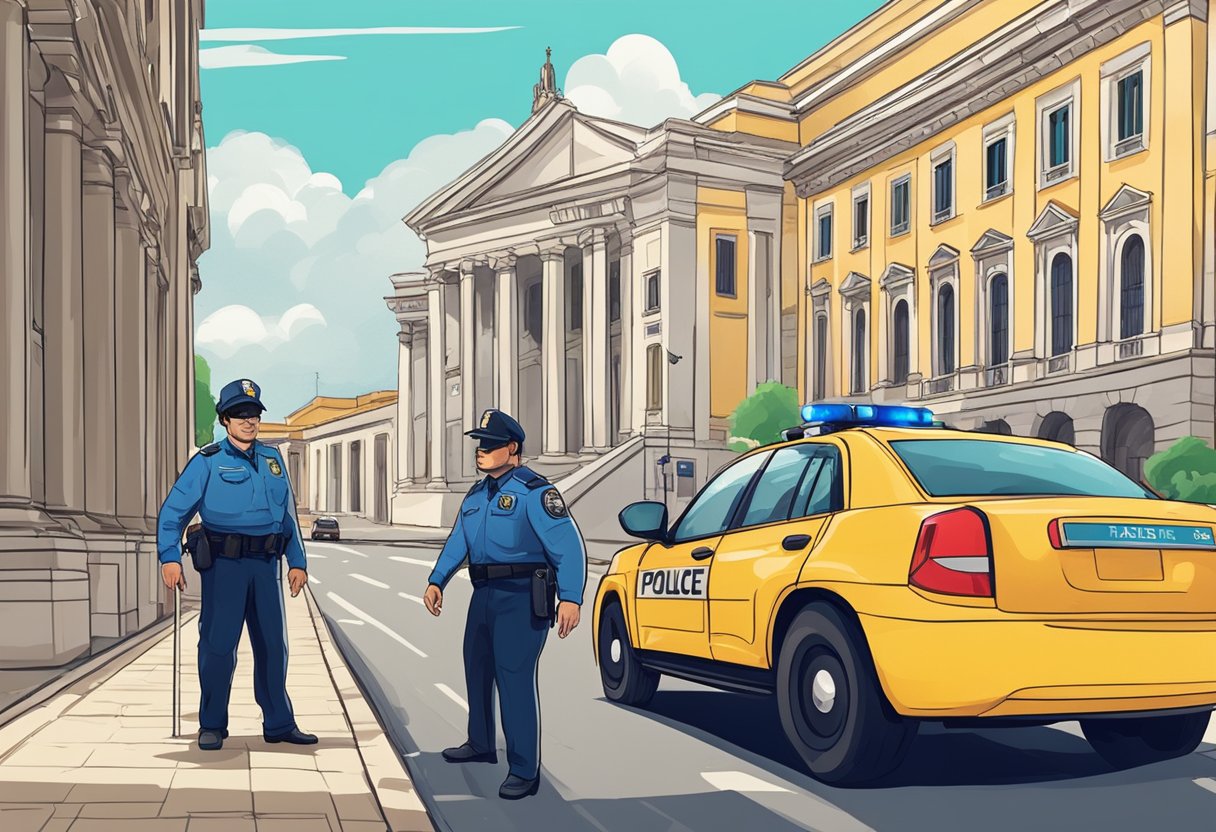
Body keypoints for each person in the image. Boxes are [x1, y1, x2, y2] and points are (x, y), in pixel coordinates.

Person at [423, 409, 587, 800]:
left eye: (490, 445)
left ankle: (524, 769)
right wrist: (437, 579)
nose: (481, 451)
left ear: (512, 449)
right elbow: (458, 542)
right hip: (483, 595)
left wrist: (571, 597)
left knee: (514, 679)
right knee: (477, 669)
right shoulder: (476, 495)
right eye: (479, 444)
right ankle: (480, 743)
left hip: (521, 597)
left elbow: (568, 547)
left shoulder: (535, 492)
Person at [157, 378, 317, 751]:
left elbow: (287, 516)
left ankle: (278, 723)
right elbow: (171, 515)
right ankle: (212, 724)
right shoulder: (207, 462)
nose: (248, 421)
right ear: (225, 420)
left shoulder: (273, 460)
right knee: (217, 646)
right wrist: (168, 558)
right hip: (225, 567)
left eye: (253, 414)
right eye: (239, 415)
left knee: (273, 647)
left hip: (265, 567)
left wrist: (297, 561)